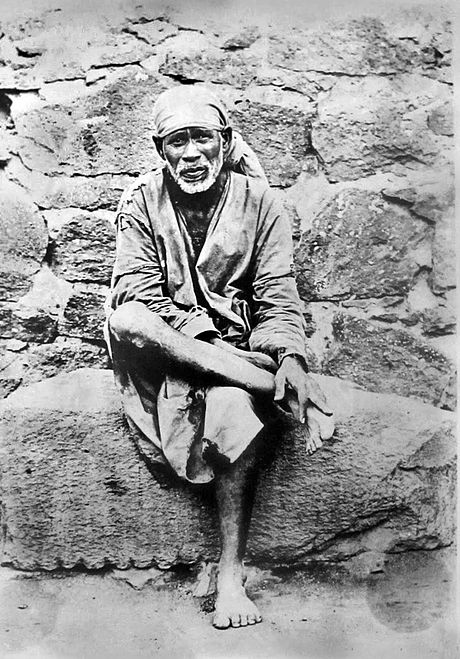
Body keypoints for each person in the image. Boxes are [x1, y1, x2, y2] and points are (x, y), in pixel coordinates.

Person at [106, 86, 334, 629]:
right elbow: (137, 291)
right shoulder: (142, 200)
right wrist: (206, 342)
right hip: (169, 352)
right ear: (161, 150)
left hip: (237, 350)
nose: (190, 153)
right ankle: (267, 384)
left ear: (224, 141)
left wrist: (289, 355)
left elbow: (278, 295)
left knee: (231, 405)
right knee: (128, 319)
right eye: (176, 141)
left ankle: (230, 576)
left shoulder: (263, 202)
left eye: (202, 138)